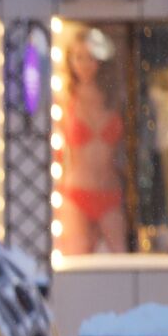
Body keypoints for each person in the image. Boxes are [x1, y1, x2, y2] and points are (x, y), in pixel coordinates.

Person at [58, 27, 128, 255]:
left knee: (121, 255)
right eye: (78, 57)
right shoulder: (64, 98)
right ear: (70, 61)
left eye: (90, 58)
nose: (84, 64)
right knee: (75, 257)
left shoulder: (114, 97)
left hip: (109, 192)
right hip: (77, 192)